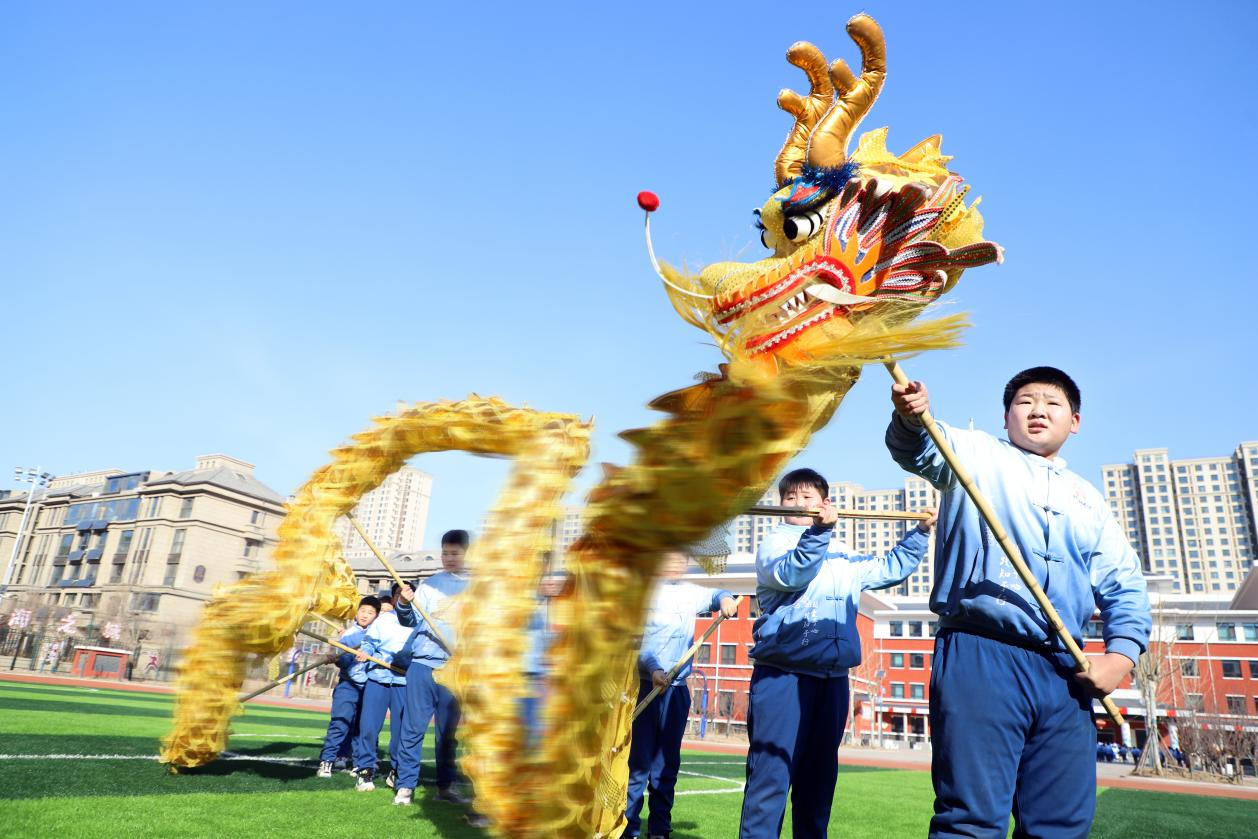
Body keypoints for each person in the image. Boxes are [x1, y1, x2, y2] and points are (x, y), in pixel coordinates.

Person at [886, 366, 1152, 838]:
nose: (1037, 410)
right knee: (970, 818)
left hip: (1065, 670)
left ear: (1075, 421)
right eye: (1025, 401)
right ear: (1006, 415)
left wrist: (1120, 656)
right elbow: (919, 448)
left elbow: (1124, 583)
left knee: (1061, 823)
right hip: (980, 652)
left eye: (1052, 403)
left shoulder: (1088, 500)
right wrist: (911, 418)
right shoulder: (975, 453)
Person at [739, 467, 937, 839]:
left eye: (807, 497)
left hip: (832, 681)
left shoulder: (843, 553)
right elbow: (793, 574)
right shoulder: (773, 546)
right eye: (790, 498)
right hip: (783, 676)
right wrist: (819, 533)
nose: (797, 504)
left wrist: (920, 533)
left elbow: (889, 568)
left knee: (818, 785)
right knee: (770, 779)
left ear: (825, 503)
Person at [624, 552, 736, 839]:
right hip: (646, 688)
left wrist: (724, 600)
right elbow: (638, 644)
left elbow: (719, 594)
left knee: (666, 765)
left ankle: (660, 829)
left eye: (681, 559)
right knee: (638, 764)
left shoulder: (690, 594)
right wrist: (655, 669)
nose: (676, 564)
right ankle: (628, 828)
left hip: (675, 692)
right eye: (669, 557)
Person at [391, 529, 473, 809]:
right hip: (422, 666)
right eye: (445, 553)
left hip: (454, 670)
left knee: (447, 733)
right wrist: (403, 603)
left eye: (455, 553)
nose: (449, 558)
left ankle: (446, 787)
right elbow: (409, 620)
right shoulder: (429, 585)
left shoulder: (479, 588)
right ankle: (405, 786)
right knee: (412, 728)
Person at [351, 585, 412, 792]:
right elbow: (369, 643)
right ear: (394, 597)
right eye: (398, 594)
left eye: (406, 593)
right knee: (368, 726)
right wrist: (364, 652)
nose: (402, 597)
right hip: (377, 678)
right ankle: (365, 770)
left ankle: (396, 770)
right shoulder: (384, 619)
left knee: (401, 731)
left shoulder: (419, 620)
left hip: (404, 682)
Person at [316, 596, 380, 778]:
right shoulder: (348, 635)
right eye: (363, 611)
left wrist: (369, 653)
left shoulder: (378, 634)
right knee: (340, 722)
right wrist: (338, 658)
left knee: (364, 727)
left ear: (376, 616)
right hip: (348, 685)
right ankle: (327, 761)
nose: (365, 615)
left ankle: (360, 764)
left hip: (370, 686)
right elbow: (343, 661)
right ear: (357, 612)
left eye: (370, 612)